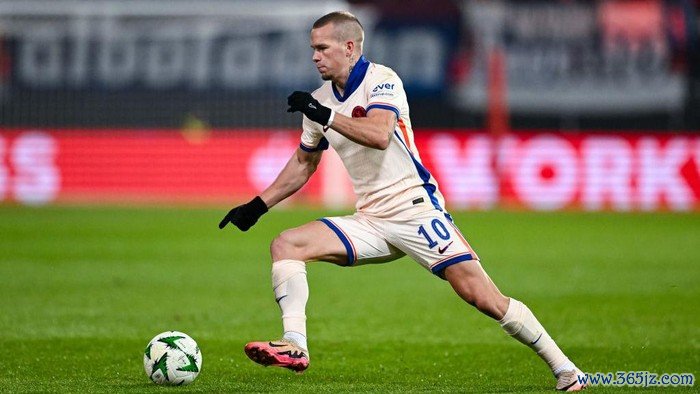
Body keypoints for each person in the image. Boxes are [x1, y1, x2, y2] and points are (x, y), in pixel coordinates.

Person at [219, 11, 586, 392]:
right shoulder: (318, 102)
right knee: (287, 244)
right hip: (370, 219)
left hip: (414, 209)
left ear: (349, 48)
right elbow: (303, 163)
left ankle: (567, 371)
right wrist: (258, 205)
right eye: (313, 49)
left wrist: (325, 115)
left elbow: (379, 133)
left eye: (322, 48)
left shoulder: (382, 80)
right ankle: (295, 344)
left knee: (482, 297)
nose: (315, 56)